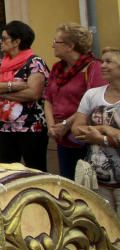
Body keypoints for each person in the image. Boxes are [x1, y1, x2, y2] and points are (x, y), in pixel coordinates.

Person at [44, 23, 106, 180]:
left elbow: (92, 104)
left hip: (83, 139)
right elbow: (48, 98)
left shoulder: (93, 68)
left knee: (85, 184)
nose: (52, 45)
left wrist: (66, 124)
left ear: (70, 46)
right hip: (62, 138)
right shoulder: (57, 68)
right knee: (68, 181)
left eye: (56, 41)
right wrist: (52, 125)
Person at [0, 20, 50, 170]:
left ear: (17, 41)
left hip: (31, 128)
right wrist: (11, 86)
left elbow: (33, 93)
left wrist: (0, 92)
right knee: (8, 171)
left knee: (36, 170)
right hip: (4, 128)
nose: (0, 42)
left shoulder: (35, 63)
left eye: (4, 38)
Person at [71, 47, 120, 213]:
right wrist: (104, 128)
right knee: (105, 230)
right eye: (102, 61)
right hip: (97, 181)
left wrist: (101, 139)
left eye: (109, 62)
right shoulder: (92, 95)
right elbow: (77, 130)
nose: (102, 66)